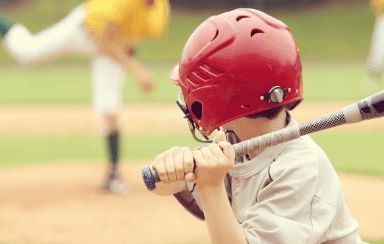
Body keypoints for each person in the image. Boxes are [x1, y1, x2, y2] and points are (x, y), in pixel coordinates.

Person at [148, 8, 366, 243]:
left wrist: (211, 184)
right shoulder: (234, 140)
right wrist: (169, 170)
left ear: (222, 99)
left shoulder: (300, 168)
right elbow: (164, 185)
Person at [0, 0, 170, 193]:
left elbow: (131, 38)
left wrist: (129, 62)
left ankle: (113, 175)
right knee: (27, 52)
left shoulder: (160, 8)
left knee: (109, 106)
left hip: (113, 47)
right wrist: (136, 70)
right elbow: (105, 41)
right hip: (85, 31)